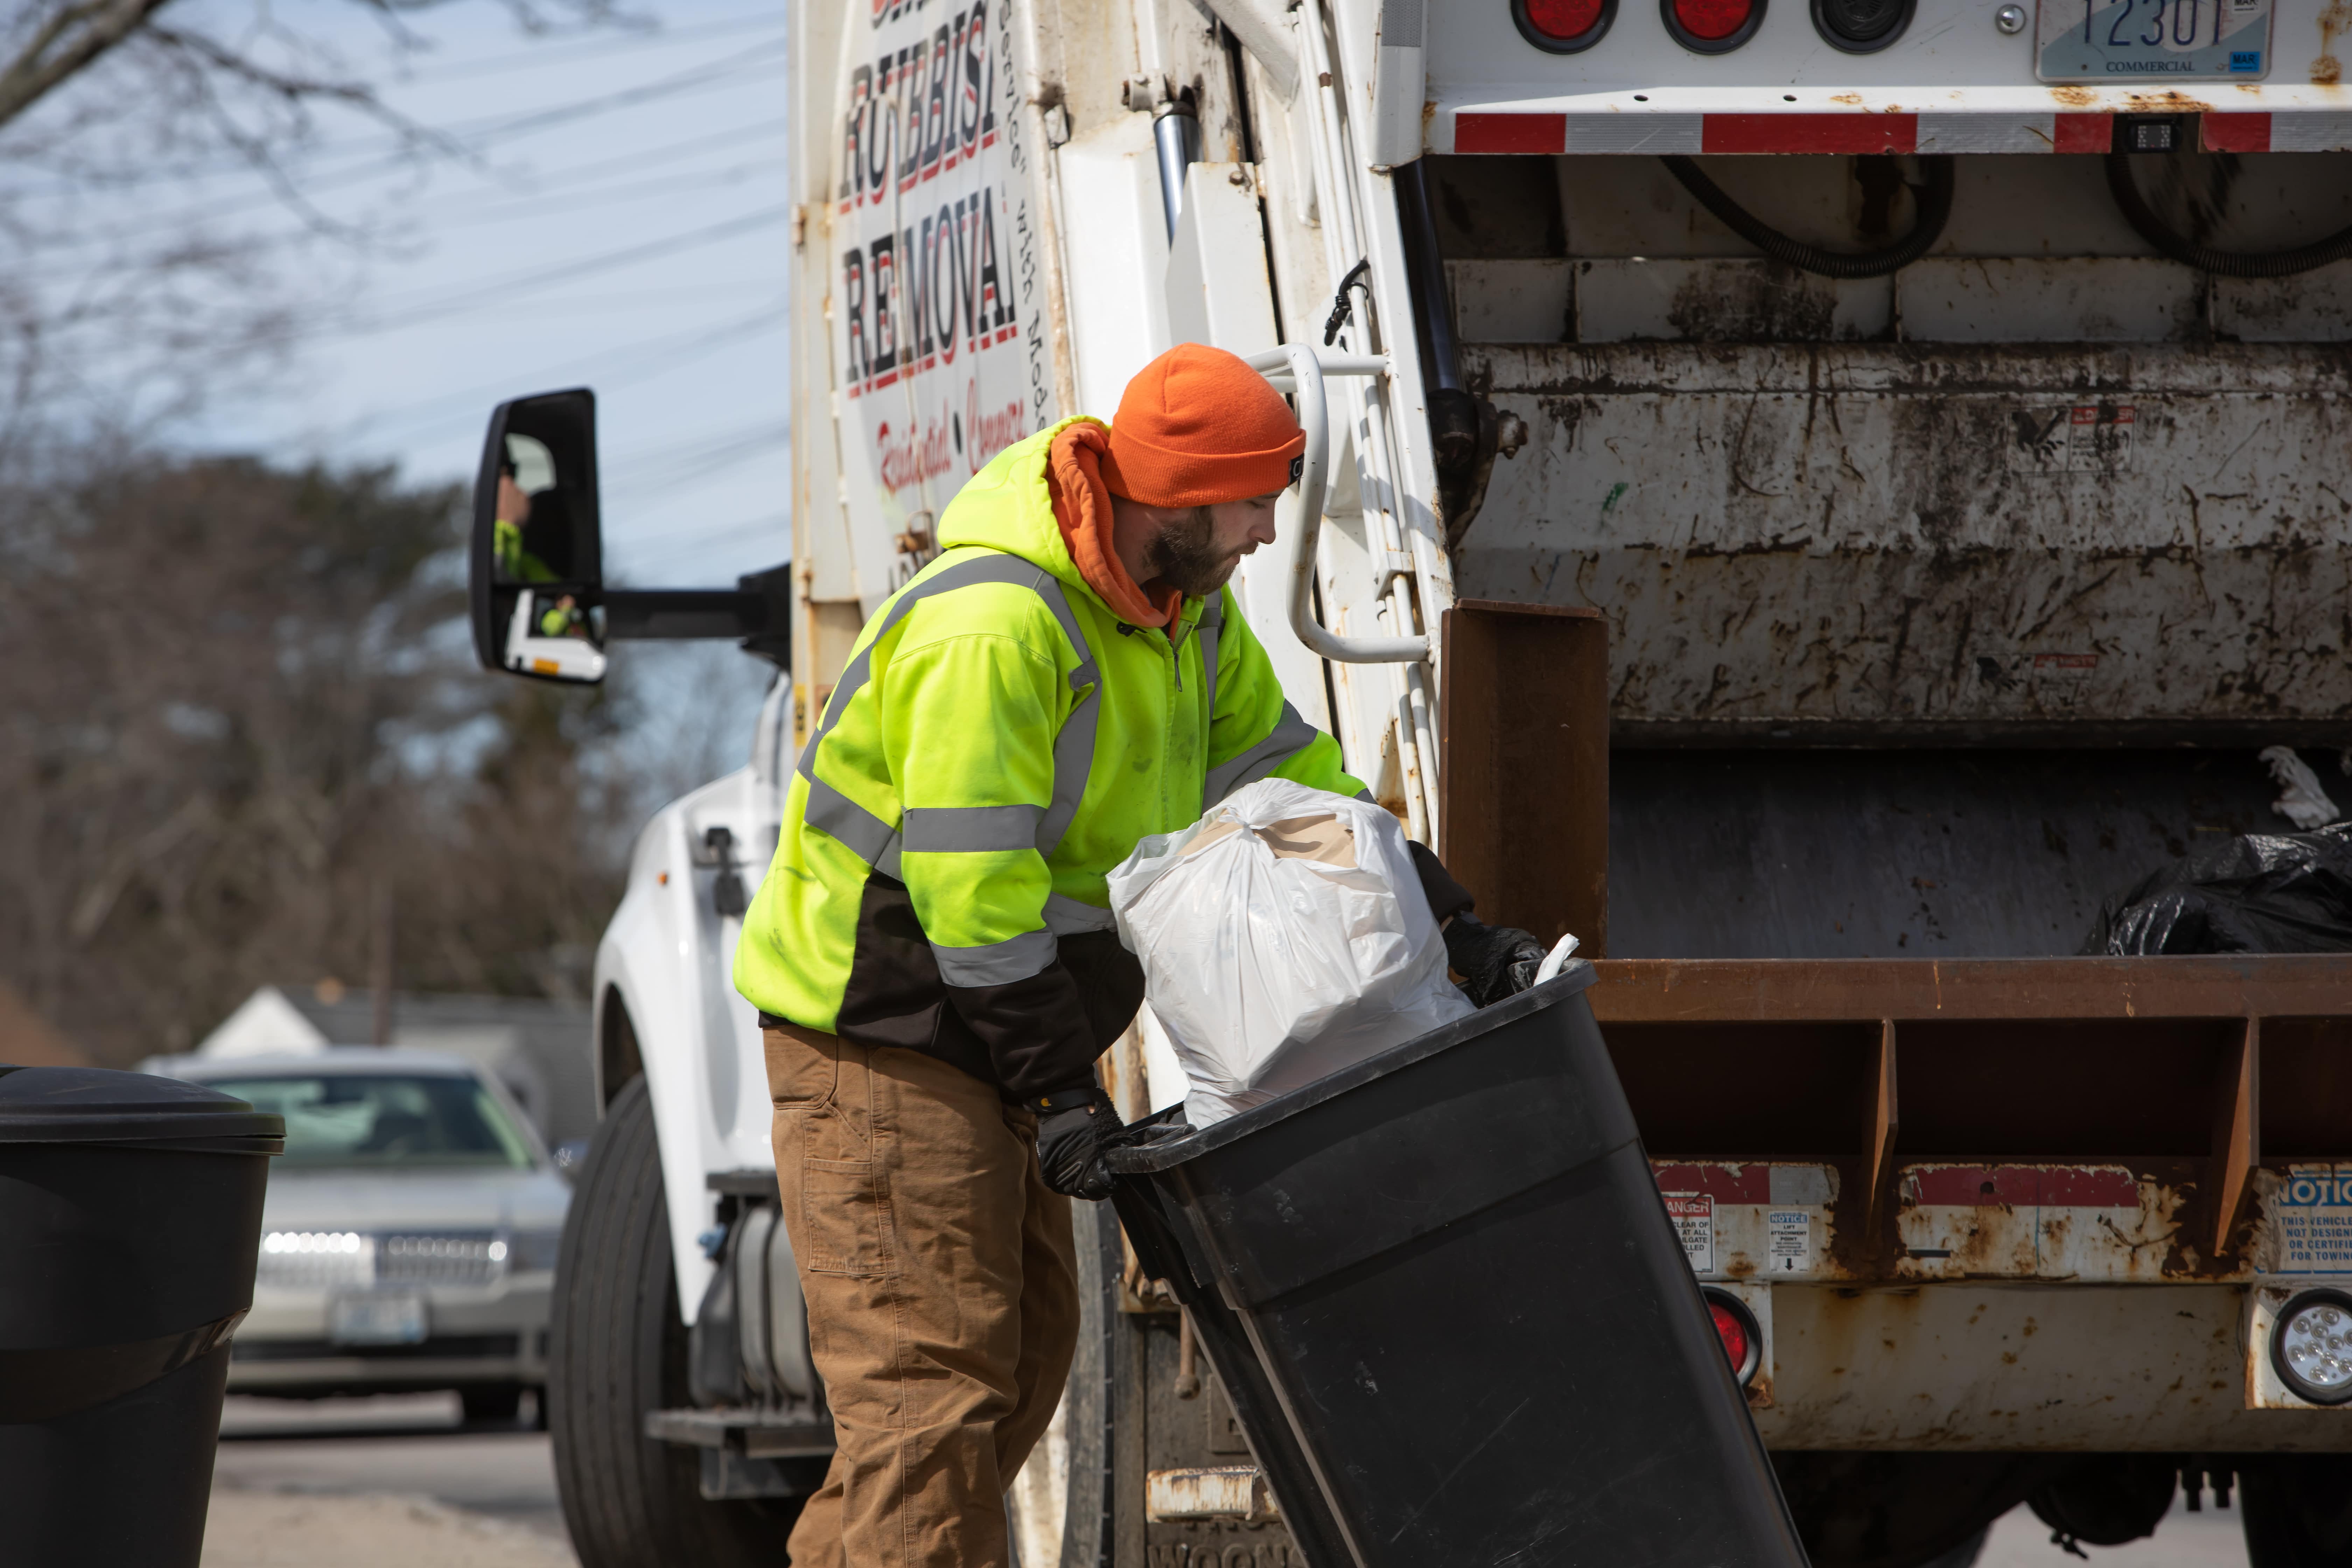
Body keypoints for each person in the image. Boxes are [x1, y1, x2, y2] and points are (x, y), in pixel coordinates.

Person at [732, 343, 1543, 1568]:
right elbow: (970, 893)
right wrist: (1061, 1092)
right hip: (888, 1047)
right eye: (1257, 501)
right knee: (932, 1402)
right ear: (1183, 492)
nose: (1269, 532)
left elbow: (1296, 788)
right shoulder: (996, 627)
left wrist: (1454, 927)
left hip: (989, 1044)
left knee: (1006, 1380)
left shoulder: (1183, 620)